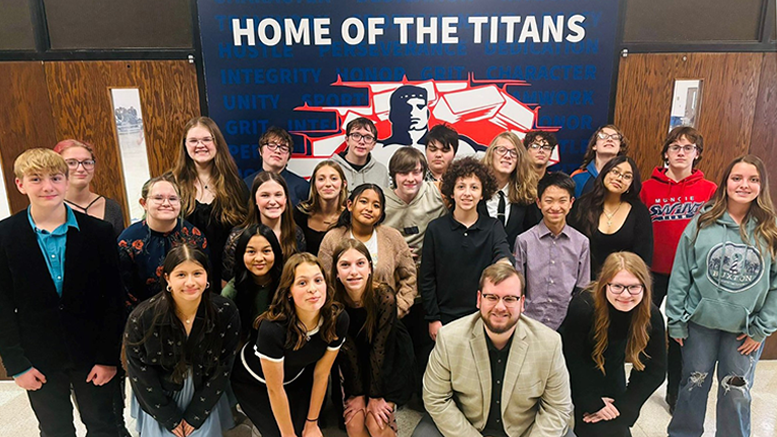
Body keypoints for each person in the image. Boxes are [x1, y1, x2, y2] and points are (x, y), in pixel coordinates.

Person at [0, 148, 124, 437]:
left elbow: (113, 299)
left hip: (92, 354)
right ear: (20, 184)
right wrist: (17, 364)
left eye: (55, 178)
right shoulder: (5, 236)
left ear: (66, 182)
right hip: (38, 357)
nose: (47, 187)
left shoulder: (99, 233)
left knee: (104, 425)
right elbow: (1, 305)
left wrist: (108, 357)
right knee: (55, 429)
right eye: (36, 179)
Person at [667, 155, 777, 437]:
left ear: (761, 186)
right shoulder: (702, 222)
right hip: (699, 324)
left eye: (753, 179)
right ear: (725, 183)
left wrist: (762, 328)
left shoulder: (770, 230)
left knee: (736, 391)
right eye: (736, 178)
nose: (744, 185)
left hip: (745, 332)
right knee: (692, 385)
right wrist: (676, 320)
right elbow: (681, 273)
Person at [413, 263, 573, 437]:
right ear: (479, 299)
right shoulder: (450, 338)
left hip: (524, 431)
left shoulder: (549, 343)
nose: (500, 307)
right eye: (492, 297)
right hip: (467, 427)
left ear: (522, 303)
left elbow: (557, 407)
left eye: (510, 299)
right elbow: (435, 398)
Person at [639, 126, 716, 412]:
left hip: (691, 277)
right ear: (666, 153)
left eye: (687, 148)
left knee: (680, 335)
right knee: (642, 328)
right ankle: (638, 383)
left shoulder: (709, 190)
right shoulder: (648, 188)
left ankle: (675, 393)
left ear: (697, 154)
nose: (681, 152)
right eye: (675, 147)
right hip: (652, 273)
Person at [125, 245, 240, 436]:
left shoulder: (225, 311)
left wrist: (195, 415)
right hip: (158, 392)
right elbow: (139, 372)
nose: (190, 282)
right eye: (181, 275)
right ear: (167, 278)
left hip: (204, 388)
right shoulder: (142, 317)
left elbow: (224, 365)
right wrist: (169, 417)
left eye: (197, 273)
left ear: (207, 277)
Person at [230, 253, 350, 437]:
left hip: (296, 376)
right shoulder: (272, 330)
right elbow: (275, 389)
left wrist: (312, 423)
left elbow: (321, 374)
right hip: (255, 383)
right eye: (302, 283)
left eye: (318, 280)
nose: (313, 289)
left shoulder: (337, 319)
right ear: (289, 292)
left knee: (307, 431)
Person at [559, 252, 666, 437]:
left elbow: (655, 369)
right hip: (578, 368)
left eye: (633, 287)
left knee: (616, 428)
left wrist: (624, 408)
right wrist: (593, 403)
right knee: (590, 426)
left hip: (611, 364)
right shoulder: (583, 307)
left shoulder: (651, 315)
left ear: (645, 288)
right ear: (604, 285)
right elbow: (571, 362)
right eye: (617, 286)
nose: (625, 295)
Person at [421, 157, 513, 341]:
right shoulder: (435, 229)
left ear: (482, 194)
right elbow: (427, 278)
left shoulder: (493, 227)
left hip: (482, 317)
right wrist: (433, 318)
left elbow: (503, 254)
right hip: (444, 319)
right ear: (452, 192)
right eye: (461, 187)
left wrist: (505, 265)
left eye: (474, 187)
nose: (467, 193)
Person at [332, 239, 415, 437]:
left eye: (360, 264)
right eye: (345, 265)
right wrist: (359, 394)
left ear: (370, 268)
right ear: (336, 272)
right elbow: (348, 352)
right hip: (352, 367)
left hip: (388, 360)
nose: (353, 271)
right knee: (354, 423)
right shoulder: (333, 304)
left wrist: (375, 396)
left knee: (375, 423)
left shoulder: (384, 296)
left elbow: (381, 348)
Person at [170, 116, 249, 285]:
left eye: (207, 139)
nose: (200, 145)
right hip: (185, 279)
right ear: (185, 145)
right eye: (193, 140)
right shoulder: (171, 185)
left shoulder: (235, 185)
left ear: (217, 143)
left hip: (228, 279)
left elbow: (245, 234)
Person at [318, 183, 417, 318]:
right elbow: (324, 282)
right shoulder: (332, 238)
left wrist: (397, 309)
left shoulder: (393, 238)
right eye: (363, 202)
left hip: (386, 318)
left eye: (376, 205)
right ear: (350, 205)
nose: (369, 209)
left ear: (381, 213)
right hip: (343, 318)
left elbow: (409, 278)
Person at [118, 175, 208, 310]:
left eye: (172, 198)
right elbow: (125, 293)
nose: (166, 203)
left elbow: (205, 279)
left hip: (193, 310)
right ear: (144, 203)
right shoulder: (127, 242)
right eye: (158, 198)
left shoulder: (194, 236)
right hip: (145, 317)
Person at [514, 172, 591, 330]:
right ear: (539, 203)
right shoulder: (524, 240)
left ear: (571, 203)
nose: (555, 207)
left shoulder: (581, 242)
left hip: (567, 323)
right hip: (529, 322)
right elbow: (517, 285)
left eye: (562, 201)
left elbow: (582, 288)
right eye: (549, 201)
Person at [569, 155, 653, 277]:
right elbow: (570, 249)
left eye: (627, 176)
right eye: (615, 172)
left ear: (631, 184)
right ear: (605, 173)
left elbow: (643, 257)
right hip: (584, 283)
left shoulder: (639, 212)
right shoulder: (582, 205)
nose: (619, 178)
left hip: (622, 285)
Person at [223, 171, 305, 282]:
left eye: (278, 195)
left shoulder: (296, 234)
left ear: (285, 199)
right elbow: (227, 283)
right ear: (255, 200)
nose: (272, 201)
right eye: (265, 195)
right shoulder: (237, 237)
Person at [221, 224, 283, 344]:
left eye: (266, 251)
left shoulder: (288, 284)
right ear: (241, 255)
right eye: (251, 251)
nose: (259, 258)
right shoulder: (231, 292)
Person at [383, 147, 447, 264]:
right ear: (394, 175)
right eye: (404, 173)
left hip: (429, 266)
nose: (411, 179)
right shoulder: (380, 200)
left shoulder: (438, 193)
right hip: (391, 266)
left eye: (416, 172)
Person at [479, 132, 541, 252]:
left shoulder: (527, 195)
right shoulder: (475, 190)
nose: (508, 156)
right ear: (491, 154)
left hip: (514, 266)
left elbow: (533, 235)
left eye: (514, 153)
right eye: (502, 150)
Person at [54, 139, 125, 236]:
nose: (80, 169)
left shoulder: (112, 208)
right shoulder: (51, 209)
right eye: (71, 163)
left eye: (87, 162)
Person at [243, 126, 310, 206]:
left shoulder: (302, 187)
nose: (277, 151)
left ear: (289, 156)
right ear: (260, 151)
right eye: (271, 145)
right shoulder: (246, 185)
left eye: (284, 148)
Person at [294, 160, 348, 256]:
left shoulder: (350, 216)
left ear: (343, 184)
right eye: (321, 179)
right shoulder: (300, 213)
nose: (328, 184)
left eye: (334, 179)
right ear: (314, 185)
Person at [331, 117, 390, 190]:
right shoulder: (329, 168)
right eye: (356, 135)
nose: (361, 142)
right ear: (347, 140)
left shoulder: (381, 172)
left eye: (368, 137)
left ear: (373, 145)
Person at [571, 125, 629, 198]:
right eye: (603, 136)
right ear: (594, 146)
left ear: (620, 147)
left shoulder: (627, 177)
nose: (610, 139)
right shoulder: (578, 177)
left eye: (615, 137)